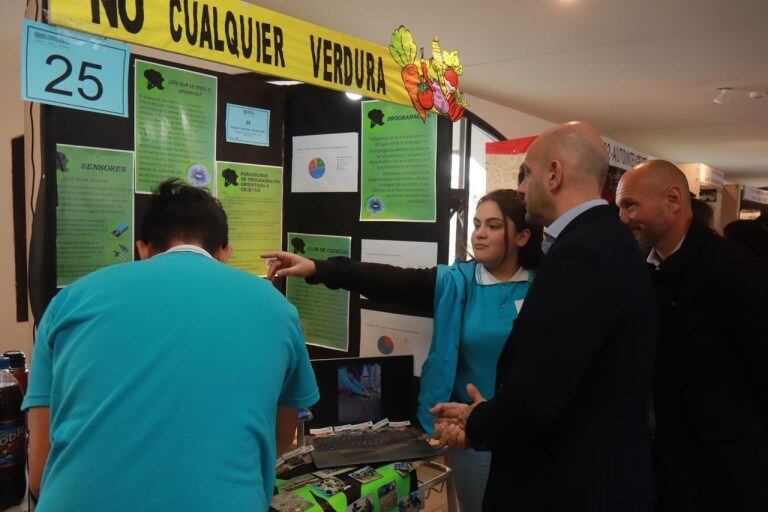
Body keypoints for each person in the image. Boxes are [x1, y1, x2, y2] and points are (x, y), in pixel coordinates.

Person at [23, 179, 319, 512]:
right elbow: (280, 441)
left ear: (142, 249)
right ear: (225, 253)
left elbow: (38, 474)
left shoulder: (69, 301)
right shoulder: (277, 309)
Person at [263, 189, 542, 512]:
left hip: (528, 430)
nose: (479, 233)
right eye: (478, 223)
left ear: (522, 236)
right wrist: (317, 268)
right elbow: (388, 280)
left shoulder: (545, 285)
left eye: (493, 226)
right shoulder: (458, 282)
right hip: (470, 431)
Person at [431, 121, 657, 512]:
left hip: (569, 483)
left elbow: (541, 393)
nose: (521, 189)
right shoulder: (611, 240)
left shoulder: (581, 255)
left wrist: (479, 424)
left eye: (527, 174)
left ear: (554, 174)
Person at [616, 160, 768, 512]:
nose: (622, 218)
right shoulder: (645, 272)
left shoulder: (738, 273)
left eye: (630, 205)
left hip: (728, 477)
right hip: (668, 468)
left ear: (673, 198)